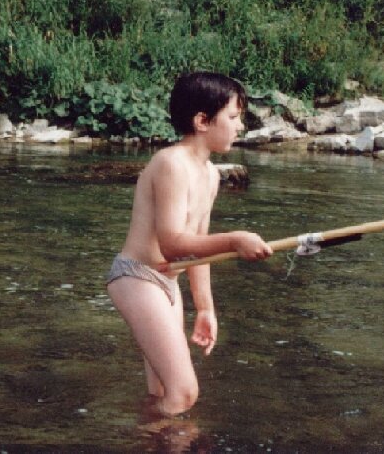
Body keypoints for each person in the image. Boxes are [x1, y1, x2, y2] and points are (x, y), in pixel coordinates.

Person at [106, 72, 273, 417]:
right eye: (233, 117)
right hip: (137, 277)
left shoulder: (210, 174)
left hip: (167, 282)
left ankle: (152, 437)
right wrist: (235, 240)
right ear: (202, 121)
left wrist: (206, 308)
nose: (240, 126)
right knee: (184, 393)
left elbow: (197, 247)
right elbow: (171, 243)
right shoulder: (171, 163)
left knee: (162, 393)